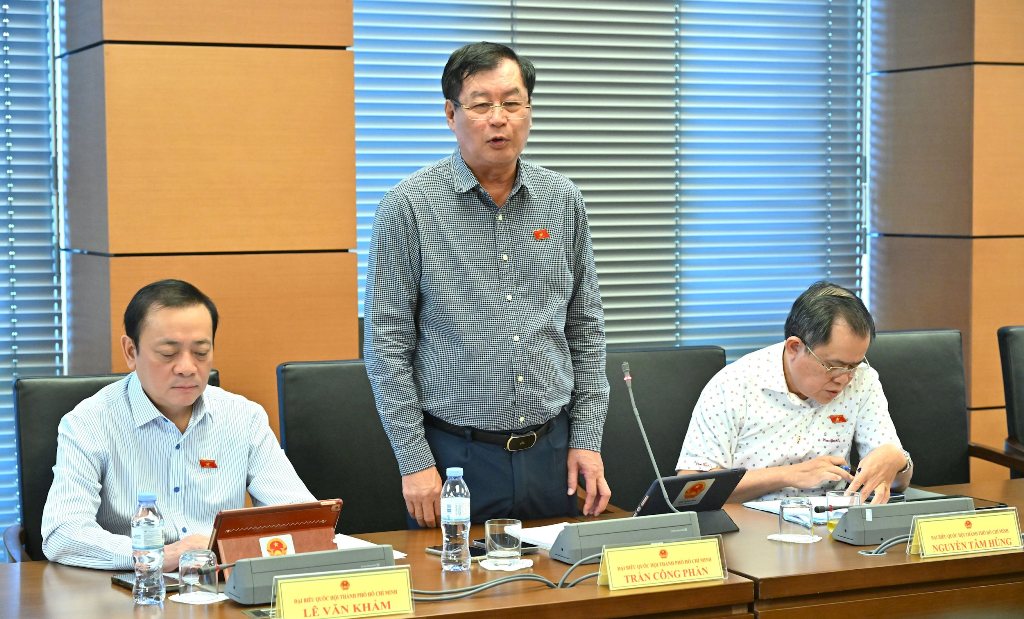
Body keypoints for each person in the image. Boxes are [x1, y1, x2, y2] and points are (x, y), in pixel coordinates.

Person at [364, 41, 611, 528]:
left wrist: (586, 437)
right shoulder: (408, 207)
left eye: (512, 103)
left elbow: (585, 327)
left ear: (529, 111)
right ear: (451, 114)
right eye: (481, 105)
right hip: (454, 456)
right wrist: (414, 460)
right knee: (457, 576)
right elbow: (386, 344)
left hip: (552, 452)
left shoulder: (563, 200)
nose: (499, 119)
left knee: (558, 575)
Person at [41, 279, 315, 570]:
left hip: (221, 584)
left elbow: (303, 522)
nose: (187, 367)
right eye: (168, 354)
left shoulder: (244, 417)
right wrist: (159, 555)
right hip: (135, 587)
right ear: (131, 352)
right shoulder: (89, 422)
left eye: (201, 352)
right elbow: (63, 534)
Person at [676, 281, 913, 504]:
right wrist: (788, 475)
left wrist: (898, 463)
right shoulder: (734, 385)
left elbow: (898, 482)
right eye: (833, 366)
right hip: (750, 525)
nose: (844, 378)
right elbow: (692, 488)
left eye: (854, 365)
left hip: (831, 522)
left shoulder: (862, 380)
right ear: (794, 347)